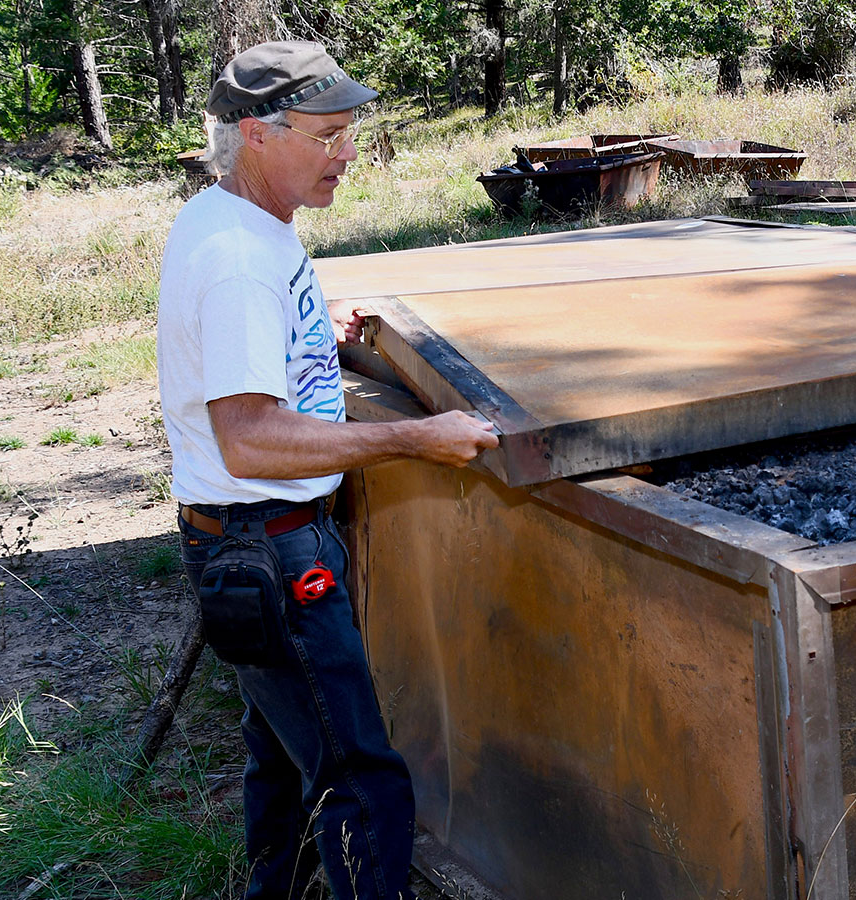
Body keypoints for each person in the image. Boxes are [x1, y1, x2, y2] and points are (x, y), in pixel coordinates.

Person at [156, 41, 502, 900]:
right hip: (270, 551)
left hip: (249, 544)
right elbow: (250, 439)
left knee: (279, 756)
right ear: (256, 134)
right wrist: (413, 440)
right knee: (362, 779)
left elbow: (252, 368)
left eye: (350, 132)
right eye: (328, 135)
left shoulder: (234, 216)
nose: (347, 153)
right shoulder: (237, 261)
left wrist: (314, 339)